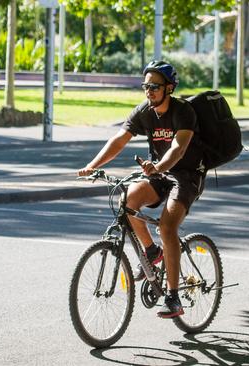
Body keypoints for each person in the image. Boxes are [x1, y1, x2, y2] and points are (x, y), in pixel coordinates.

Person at [77, 60, 206, 319]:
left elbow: (177, 149)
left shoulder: (184, 111)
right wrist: (92, 166)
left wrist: (158, 166)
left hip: (187, 175)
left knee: (167, 227)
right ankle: (152, 251)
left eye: (155, 86)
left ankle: (173, 297)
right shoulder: (144, 112)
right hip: (158, 173)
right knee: (127, 200)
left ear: (169, 88)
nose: (149, 91)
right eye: (145, 86)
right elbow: (119, 140)